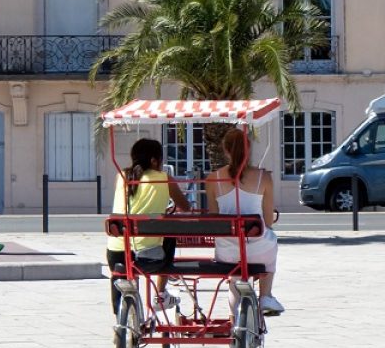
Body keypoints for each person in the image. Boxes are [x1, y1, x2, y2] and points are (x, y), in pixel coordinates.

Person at [107, 137, 191, 312]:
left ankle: (120, 322)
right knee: (168, 235)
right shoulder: (164, 179)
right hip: (148, 257)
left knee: (123, 271)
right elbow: (185, 207)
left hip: (116, 253)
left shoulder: (122, 176)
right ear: (154, 160)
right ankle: (160, 294)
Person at [207, 128, 283, 316]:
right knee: (271, 239)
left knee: (234, 282)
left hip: (228, 252)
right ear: (249, 149)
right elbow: (267, 220)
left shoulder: (212, 179)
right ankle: (265, 295)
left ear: (225, 150)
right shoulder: (263, 177)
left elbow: (214, 218)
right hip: (259, 250)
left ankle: (235, 326)